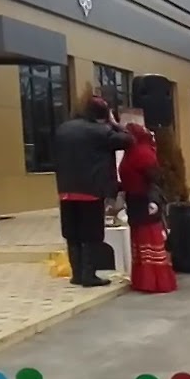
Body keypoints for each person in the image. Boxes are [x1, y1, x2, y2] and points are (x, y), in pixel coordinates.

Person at [52, 96, 132, 287]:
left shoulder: (63, 129)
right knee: (91, 234)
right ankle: (89, 275)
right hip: (91, 190)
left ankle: (77, 274)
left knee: (72, 233)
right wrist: (115, 124)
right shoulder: (100, 132)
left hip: (66, 190)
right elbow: (129, 140)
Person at [118, 123, 177, 293]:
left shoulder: (143, 153)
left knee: (149, 239)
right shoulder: (134, 151)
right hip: (135, 201)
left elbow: (155, 179)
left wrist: (153, 201)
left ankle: (155, 281)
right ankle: (144, 281)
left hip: (146, 202)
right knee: (140, 241)